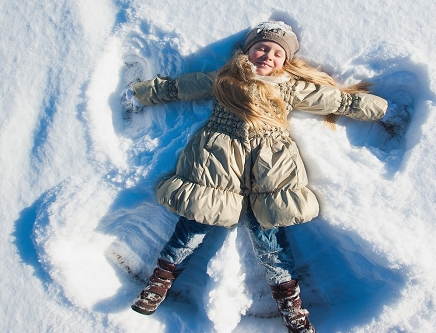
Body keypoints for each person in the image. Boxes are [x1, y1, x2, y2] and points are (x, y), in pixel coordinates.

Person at [124, 21, 394, 333]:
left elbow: (335, 100)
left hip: (270, 165)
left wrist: (377, 109)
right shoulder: (225, 78)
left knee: (270, 236)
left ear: (285, 62)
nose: (267, 55)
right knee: (195, 223)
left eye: (277, 53)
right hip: (218, 159)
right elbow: (182, 86)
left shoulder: (289, 87)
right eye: (262, 48)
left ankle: (291, 305)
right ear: (248, 51)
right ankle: (160, 282)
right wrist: (144, 93)